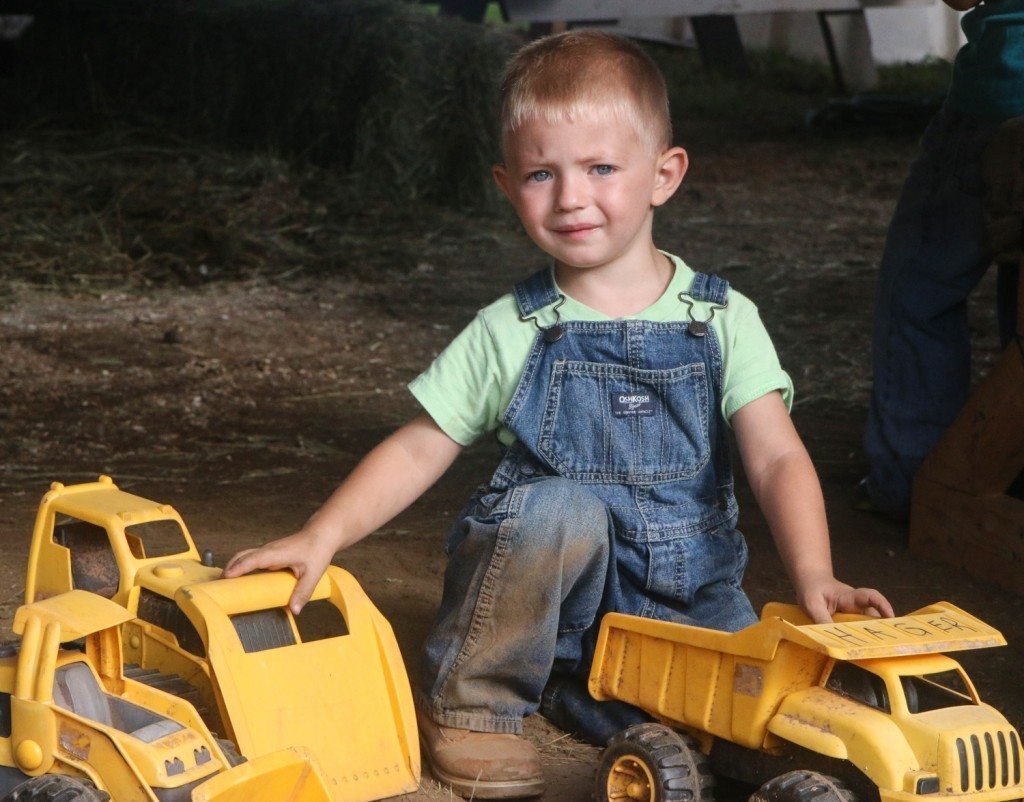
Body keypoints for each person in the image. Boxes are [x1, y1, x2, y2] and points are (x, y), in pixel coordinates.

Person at [225, 30, 893, 800]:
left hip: (689, 600)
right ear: (508, 187)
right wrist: (323, 534)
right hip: (555, 608)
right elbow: (420, 445)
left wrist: (816, 574)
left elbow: (776, 456)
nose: (571, 197)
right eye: (543, 173)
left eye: (602, 168)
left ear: (664, 175)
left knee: (753, 727)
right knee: (556, 506)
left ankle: (607, 704)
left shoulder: (725, 318)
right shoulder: (512, 327)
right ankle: (476, 704)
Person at [860, 0, 1024, 522]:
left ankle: (910, 484)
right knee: (1021, 305)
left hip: (1002, 99)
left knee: (918, 294)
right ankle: (1009, 477)